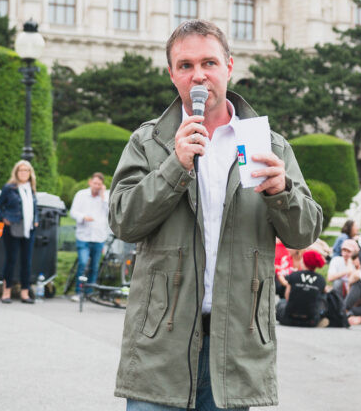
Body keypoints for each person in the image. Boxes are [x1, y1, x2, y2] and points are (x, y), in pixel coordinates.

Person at [109, 20, 322, 410]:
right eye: (186, 65)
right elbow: (123, 221)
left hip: (237, 343)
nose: (199, 75)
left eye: (208, 62)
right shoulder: (149, 141)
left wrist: (282, 194)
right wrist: (175, 166)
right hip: (161, 343)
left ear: (229, 66)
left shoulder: (268, 145)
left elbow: (304, 235)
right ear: (172, 74)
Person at [0, 160, 39, 304]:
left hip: (29, 229)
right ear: (16, 172)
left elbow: (35, 207)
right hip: (12, 228)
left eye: (26, 170)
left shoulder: (31, 188)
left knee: (26, 262)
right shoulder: (9, 188)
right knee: (11, 260)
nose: (23, 173)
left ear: (30, 173)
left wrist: (36, 219)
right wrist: (3, 218)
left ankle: (25, 293)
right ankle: (6, 292)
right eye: (21, 170)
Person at [70, 172, 110, 302]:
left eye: (99, 184)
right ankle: (78, 291)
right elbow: (73, 212)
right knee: (82, 263)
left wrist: (103, 196)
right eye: (95, 183)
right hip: (84, 236)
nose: (97, 186)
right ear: (90, 182)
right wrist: (83, 217)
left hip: (98, 237)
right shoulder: (81, 195)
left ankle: (89, 293)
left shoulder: (105, 196)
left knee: (94, 267)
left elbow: (110, 212)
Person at [276, 250, 328, 327]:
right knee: (323, 297)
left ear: (304, 262)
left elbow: (287, 297)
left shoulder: (294, 275)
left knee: (281, 302)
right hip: (311, 321)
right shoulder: (321, 279)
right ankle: (319, 318)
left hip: (288, 320)